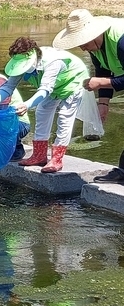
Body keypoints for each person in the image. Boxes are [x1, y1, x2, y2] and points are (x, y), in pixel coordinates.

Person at [0, 37, 89, 173]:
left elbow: (45, 90)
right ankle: (39, 155)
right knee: (41, 111)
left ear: (33, 58)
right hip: (51, 87)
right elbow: (8, 87)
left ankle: (57, 159)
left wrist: (27, 104)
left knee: (64, 117)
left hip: (72, 82)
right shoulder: (20, 63)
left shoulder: (53, 62)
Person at [52, 9, 124, 183]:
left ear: (94, 34)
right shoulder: (96, 46)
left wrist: (101, 83)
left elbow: (102, 79)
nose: (82, 47)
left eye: (83, 42)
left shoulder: (121, 41)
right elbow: (103, 70)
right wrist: (103, 103)